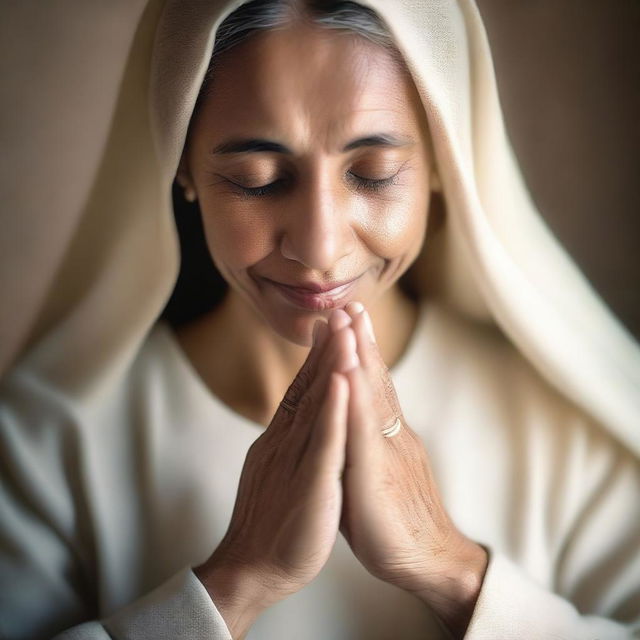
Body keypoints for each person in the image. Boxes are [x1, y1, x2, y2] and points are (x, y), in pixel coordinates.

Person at [0, 1, 639, 639]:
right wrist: (236, 582)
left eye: (374, 174)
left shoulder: (570, 432)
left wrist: (452, 570)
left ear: (444, 161)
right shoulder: (47, 446)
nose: (320, 246)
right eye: (257, 179)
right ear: (183, 165)